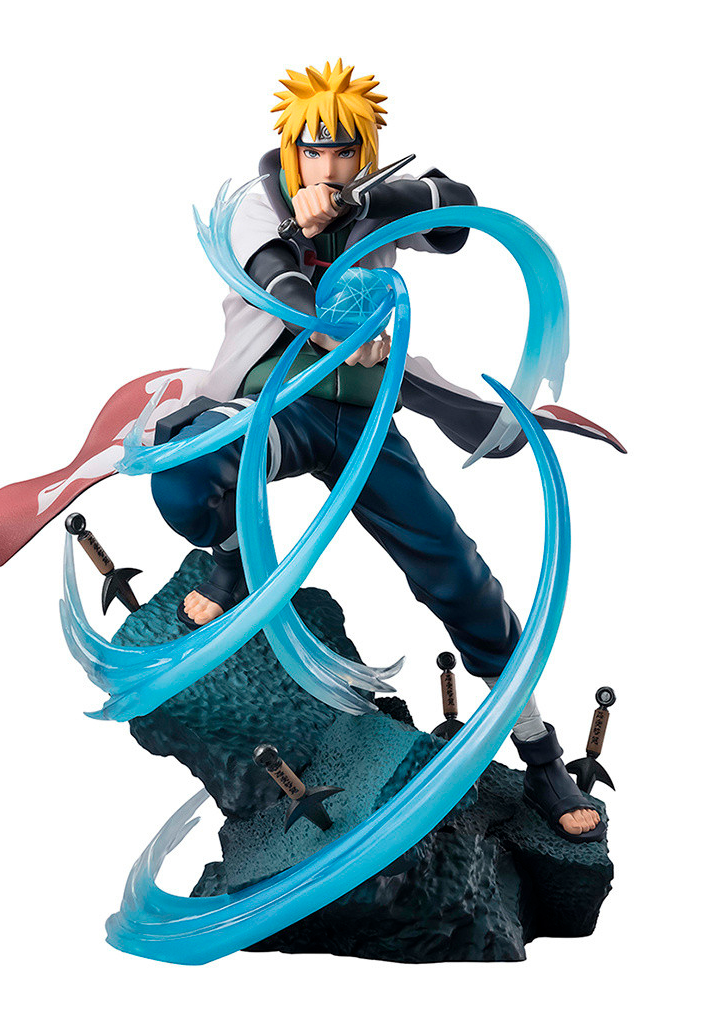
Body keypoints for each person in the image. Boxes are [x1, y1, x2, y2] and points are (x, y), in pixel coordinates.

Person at [150, 61, 608, 841]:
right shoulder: (255, 208)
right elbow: (277, 283)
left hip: (364, 423)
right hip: (281, 407)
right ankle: (231, 560)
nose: (327, 167)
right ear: (291, 149)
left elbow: (458, 215)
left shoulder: (372, 202)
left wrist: (366, 203)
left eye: (343, 153)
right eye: (313, 151)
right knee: (191, 467)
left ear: (362, 153)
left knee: (459, 577)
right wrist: (334, 330)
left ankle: (541, 756)